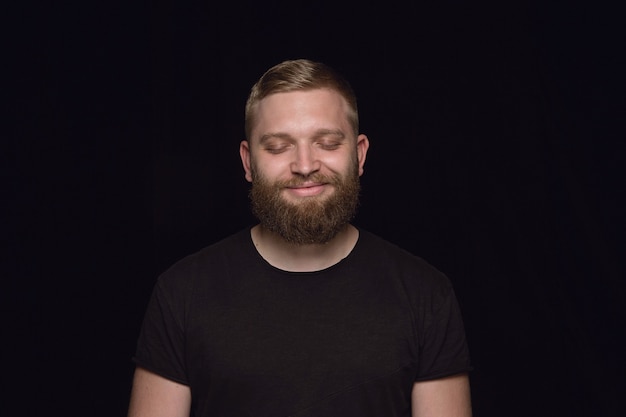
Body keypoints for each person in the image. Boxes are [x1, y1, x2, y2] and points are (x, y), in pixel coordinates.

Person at [127, 58, 473, 417]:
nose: (305, 165)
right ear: (248, 162)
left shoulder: (425, 294)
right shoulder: (182, 293)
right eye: (278, 147)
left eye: (326, 143)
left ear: (359, 154)